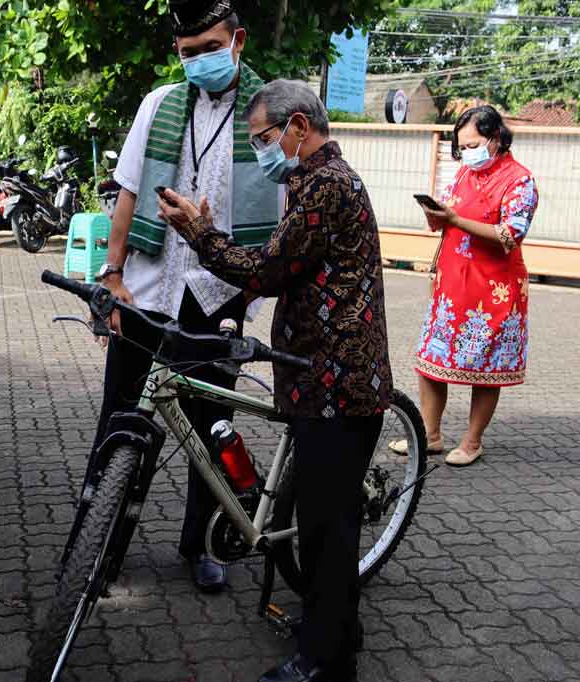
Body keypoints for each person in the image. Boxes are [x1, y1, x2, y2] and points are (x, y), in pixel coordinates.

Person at [158, 80, 391, 682]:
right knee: (323, 521)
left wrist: (200, 237)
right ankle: (340, 630)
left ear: (298, 127)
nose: (262, 150)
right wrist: (213, 236)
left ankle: (325, 662)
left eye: (264, 138)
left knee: (325, 533)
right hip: (321, 377)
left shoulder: (326, 187)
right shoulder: (310, 183)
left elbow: (268, 270)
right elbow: (286, 261)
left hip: (338, 386)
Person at [91, 0, 282, 593]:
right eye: (188, 51)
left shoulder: (267, 113)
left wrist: (249, 281)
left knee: (212, 424)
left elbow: (283, 204)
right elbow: (126, 190)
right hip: (148, 286)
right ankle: (103, 538)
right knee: (122, 411)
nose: (200, 59)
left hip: (216, 290)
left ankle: (200, 543)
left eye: (210, 46)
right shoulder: (160, 105)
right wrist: (112, 274)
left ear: (238, 40)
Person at [391, 105, 537, 467]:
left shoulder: (520, 181)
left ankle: (472, 441)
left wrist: (455, 218)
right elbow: (450, 221)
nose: (466, 153)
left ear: (497, 138)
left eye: (472, 144)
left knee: (486, 370)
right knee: (430, 361)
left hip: (495, 288)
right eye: (461, 147)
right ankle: (430, 435)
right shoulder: (462, 175)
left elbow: (509, 235)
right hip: (452, 284)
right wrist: (438, 217)